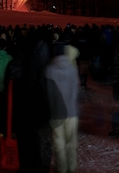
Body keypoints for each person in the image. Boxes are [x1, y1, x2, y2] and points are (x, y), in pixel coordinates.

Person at [43, 42, 80, 173]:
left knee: (59, 143)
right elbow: (76, 89)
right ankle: (71, 166)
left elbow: (49, 93)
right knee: (71, 142)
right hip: (72, 111)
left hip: (57, 112)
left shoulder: (49, 69)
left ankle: (61, 168)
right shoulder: (72, 69)